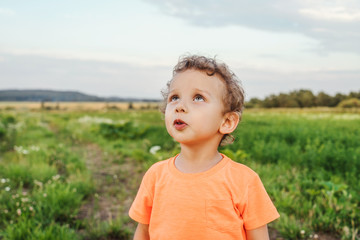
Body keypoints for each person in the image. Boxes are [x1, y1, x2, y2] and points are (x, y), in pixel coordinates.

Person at [129, 55, 279, 240]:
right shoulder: (155, 176)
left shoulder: (244, 181)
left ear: (227, 121)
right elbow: (143, 232)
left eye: (198, 97)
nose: (180, 106)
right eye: (174, 97)